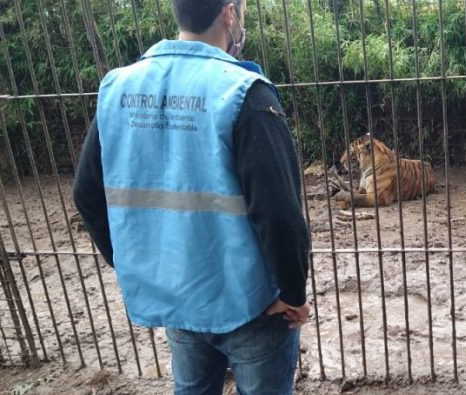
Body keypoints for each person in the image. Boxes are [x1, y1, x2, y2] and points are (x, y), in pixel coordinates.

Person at [73, 0, 310, 393]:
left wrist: (145, 268)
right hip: (252, 306)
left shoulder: (118, 88)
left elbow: (86, 196)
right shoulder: (244, 92)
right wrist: (293, 292)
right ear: (229, 14)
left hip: (179, 300)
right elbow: (279, 212)